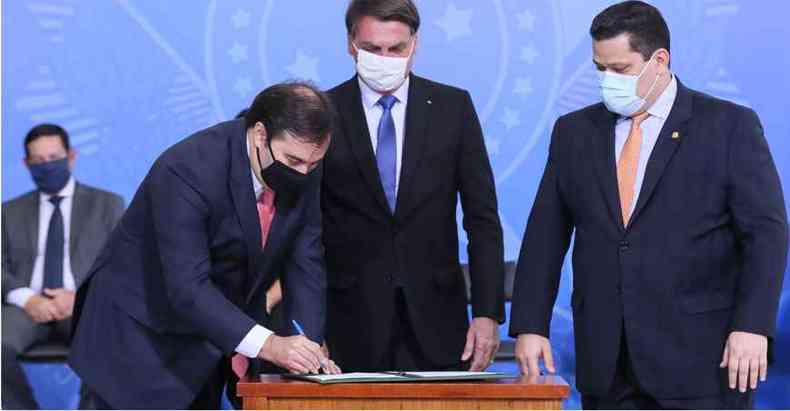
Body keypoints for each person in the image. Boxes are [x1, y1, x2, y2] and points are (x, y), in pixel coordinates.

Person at [509, 1, 788, 409]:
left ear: (659, 60)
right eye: (599, 68)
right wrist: (531, 326)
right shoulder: (574, 133)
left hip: (701, 360)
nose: (606, 81)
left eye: (619, 69)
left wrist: (753, 326)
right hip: (606, 361)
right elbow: (544, 237)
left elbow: (766, 233)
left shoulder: (728, 126)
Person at [69, 81, 341, 409]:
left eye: (313, 164)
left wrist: (306, 353)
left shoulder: (305, 162)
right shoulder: (188, 168)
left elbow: (306, 263)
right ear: (259, 135)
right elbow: (187, 287)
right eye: (294, 161)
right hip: (138, 341)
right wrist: (270, 345)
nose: (304, 173)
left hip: (212, 339)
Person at [322, 0, 505, 373]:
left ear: (415, 44)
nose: (385, 58)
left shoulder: (453, 107)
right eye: (372, 49)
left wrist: (487, 313)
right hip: (347, 321)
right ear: (350, 44)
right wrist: (308, 321)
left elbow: (482, 218)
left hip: (439, 318)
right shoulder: (323, 111)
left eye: (396, 49)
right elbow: (305, 227)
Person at [2, 124, 124, 410]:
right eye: (39, 161)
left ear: (71, 156)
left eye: (54, 158)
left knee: (108, 341)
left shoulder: (107, 205)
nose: (47, 166)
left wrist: (80, 297)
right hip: (24, 307)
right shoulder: (8, 211)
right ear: (26, 164)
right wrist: (28, 299)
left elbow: (121, 265)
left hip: (85, 304)